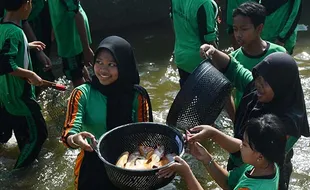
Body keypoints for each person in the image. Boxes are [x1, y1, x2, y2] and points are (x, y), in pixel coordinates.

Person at [198, 45, 310, 189]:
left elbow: (257, 150)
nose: (258, 86)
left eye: (265, 83)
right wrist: (214, 53)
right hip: (244, 164)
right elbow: (236, 70)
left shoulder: (289, 124)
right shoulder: (257, 90)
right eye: (258, 78)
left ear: (281, 86)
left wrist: (214, 136)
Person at [61, 36, 153, 189]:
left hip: (127, 164)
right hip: (92, 164)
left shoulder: (137, 96)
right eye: (99, 62)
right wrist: (75, 138)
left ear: (124, 66)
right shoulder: (81, 93)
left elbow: (143, 134)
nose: (103, 70)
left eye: (111, 64)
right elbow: (68, 133)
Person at [158, 114, 287, 190]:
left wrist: (186, 173)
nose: (240, 146)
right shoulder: (268, 164)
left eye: (245, 144)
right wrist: (207, 159)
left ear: (259, 156)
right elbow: (229, 183)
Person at [0, 0, 48, 169]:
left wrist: (26, 46)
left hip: (7, 96)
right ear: (26, 4)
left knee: (24, 136)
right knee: (39, 134)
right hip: (21, 97)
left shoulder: (3, 28)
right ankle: (18, 173)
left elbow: (4, 51)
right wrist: (31, 74)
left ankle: (26, 163)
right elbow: (6, 64)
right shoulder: (14, 32)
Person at [228, 2, 286, 118]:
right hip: (246, 118)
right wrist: (236, 120)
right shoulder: (233, 58)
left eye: (244, 29)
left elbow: (288, 91)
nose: (238, 35)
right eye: (235, 29)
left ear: (259, 28)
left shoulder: (279, 54)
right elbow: (227, 94)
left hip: (273, 120)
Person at [170, 0, 219, 87]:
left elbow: (173, 20)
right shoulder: (205, 4)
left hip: (181, 58)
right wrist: (220, 66)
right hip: (201, 64)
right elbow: (208, 41)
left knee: (188, 97)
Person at [48, 0, 93, 87]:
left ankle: (83, 98)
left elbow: (77, 14)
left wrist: (86, 48)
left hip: (72, 38)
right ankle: (88, 88)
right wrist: (54, 26)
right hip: (67, 33)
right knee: (79, 67)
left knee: (75, 75)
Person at [25, 0, 54, 96]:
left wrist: (54, 26)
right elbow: (23, 21)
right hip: (31, 24)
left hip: (42, 16)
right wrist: (38, 51)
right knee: (37, 67)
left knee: (44, 64)